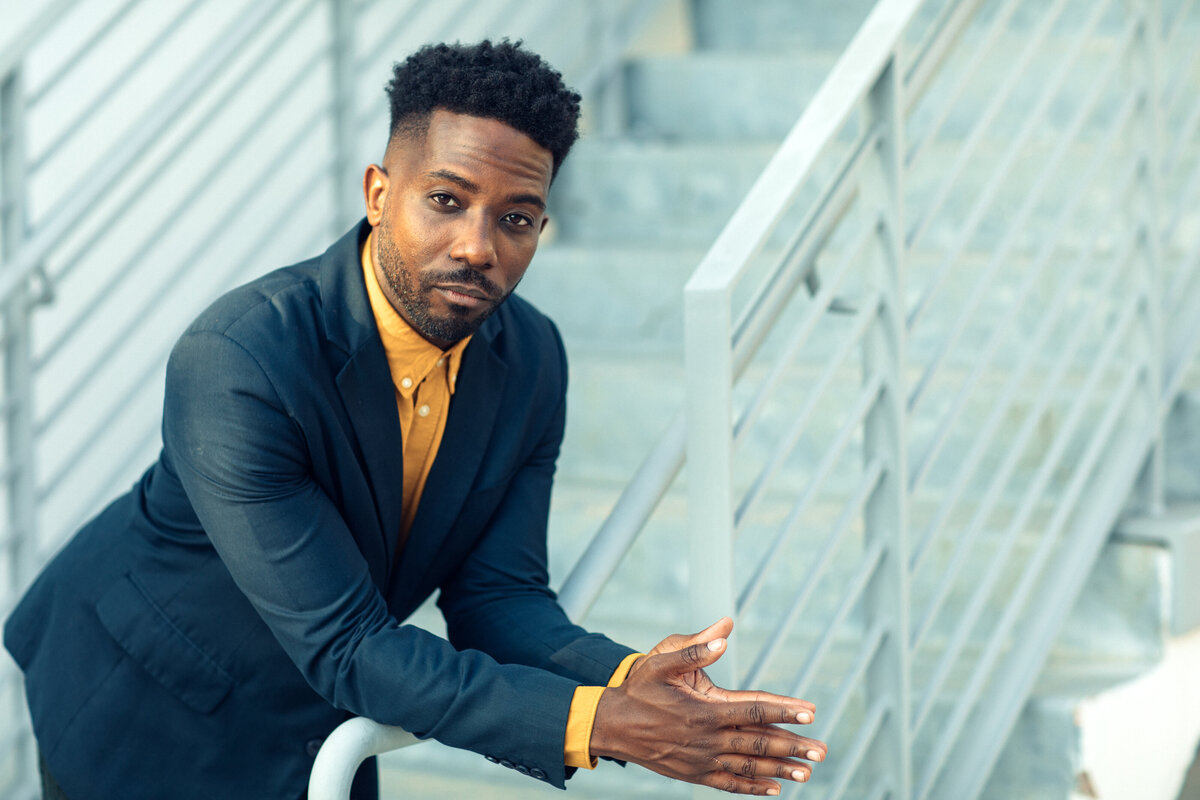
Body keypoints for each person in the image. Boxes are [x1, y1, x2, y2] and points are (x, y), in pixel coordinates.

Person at [4, 40, 826, 799]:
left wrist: (629, 679)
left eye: (515, 218)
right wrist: (598, 725)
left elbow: (498, 597)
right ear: (378, 194)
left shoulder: (531, 358)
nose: (478, 246)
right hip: (146, 689)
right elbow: (349, 644)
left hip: (326, 711)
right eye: (446, 200)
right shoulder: (239, 359)